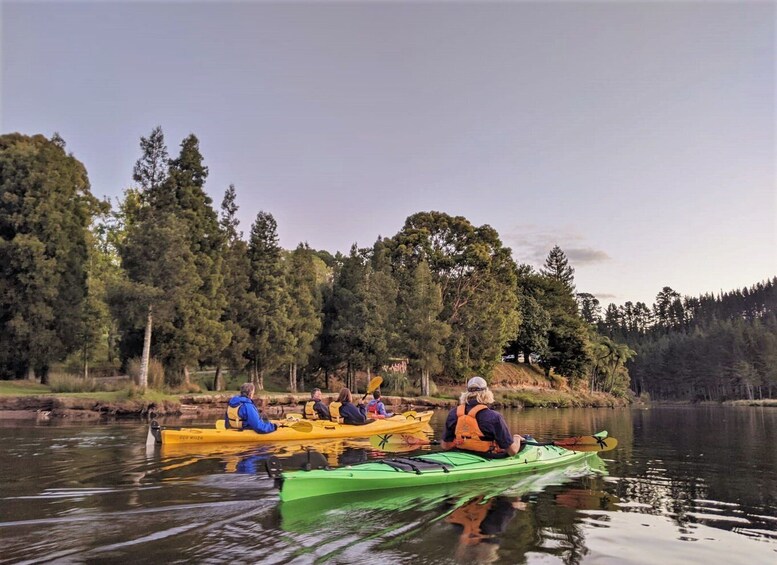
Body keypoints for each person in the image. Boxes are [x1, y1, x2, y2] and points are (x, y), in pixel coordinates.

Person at [441, 376, 523, 457]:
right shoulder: (495, 417)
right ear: (486, 394)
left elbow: (445, 446)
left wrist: (461, 442)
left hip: (460, 456)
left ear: (466, 394)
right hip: (486, 457)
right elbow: (512, 451)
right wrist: (517, 438)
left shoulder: (453, 413)